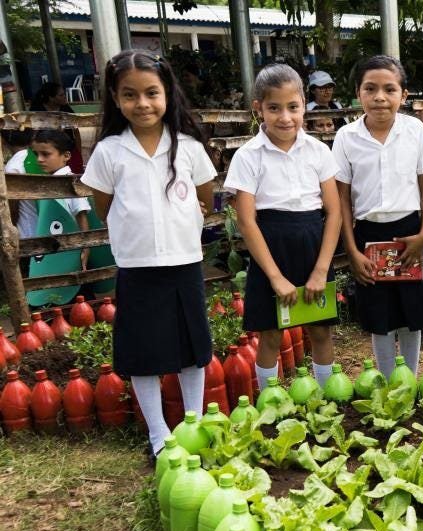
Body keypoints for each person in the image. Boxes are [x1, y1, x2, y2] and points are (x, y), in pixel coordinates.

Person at [80, 49, 218, 458]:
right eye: (130, 95)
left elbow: (205, 197)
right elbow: (102, 206)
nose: (142, 104)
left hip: (184, 261)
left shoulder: (189, 146)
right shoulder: (109, 151)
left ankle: (195, 423)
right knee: (145, 352)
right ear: (115, 97)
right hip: (138, 266)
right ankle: (158, 433)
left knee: (192, 347)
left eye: (151, 93)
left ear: (167, 93)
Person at [224, 64, 342, 389]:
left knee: (320, 329)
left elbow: (334, 213)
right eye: (274, 108)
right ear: (258, 108)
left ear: (305, 105)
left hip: (312, 244)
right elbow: (247, 222)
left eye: (293, 107)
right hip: (269, 248)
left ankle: (326, 396)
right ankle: (270, 402)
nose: (285, 117)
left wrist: (321, 270)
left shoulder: (319, 151)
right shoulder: (248, 157)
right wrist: (275, 277)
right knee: (271, 333)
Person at [333, 55, 423, 375]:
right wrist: (352, 251)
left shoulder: (415, 130)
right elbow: (342, 201)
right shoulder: (346, 137)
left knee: (412, 312)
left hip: (411, 235)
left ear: (403, 96)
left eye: (389, 89)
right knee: (380, 315)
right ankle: (388, 381)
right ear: (358, 93)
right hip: (368, 235)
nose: (380, 97)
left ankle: (410, 378)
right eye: (370, 88)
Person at [30, 130, 92, 268]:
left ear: (66, 156)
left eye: (46, 154)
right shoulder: (48, 183)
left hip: (70, 253)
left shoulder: (71, 184)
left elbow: (81, 217)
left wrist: (86, 249)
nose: (39, 159)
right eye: (37, 154)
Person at [29, 81, 85, 173]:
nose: (64, 97)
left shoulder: (66, 109)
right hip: (47, 147)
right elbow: (33, 132)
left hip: (68, 147)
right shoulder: (38, 110)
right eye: (61, 95)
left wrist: (78, 151)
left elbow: (76, 131)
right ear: (51, 98)